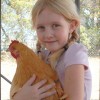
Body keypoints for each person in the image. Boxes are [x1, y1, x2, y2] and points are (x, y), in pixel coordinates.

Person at [13, 0, 92, 100]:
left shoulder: (74, 53)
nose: (48, 35)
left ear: (72, 26)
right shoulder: (43, 56)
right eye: (41, 27)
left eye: (55, 25)